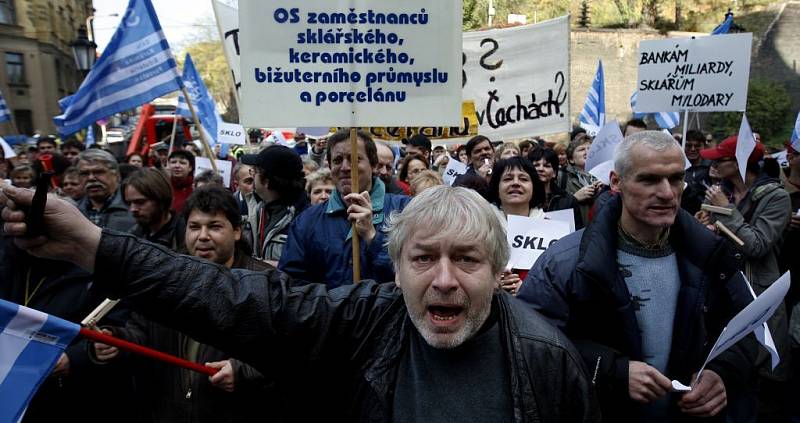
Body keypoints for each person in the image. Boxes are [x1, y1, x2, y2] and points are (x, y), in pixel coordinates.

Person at [1, 183, 601, 422]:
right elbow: (228, 298)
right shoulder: (361, 321)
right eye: (423, 259)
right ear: (396, 268)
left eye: (467, 260)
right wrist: (91, 245)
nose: (444, 280)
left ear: (499, 271)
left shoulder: (546, 359)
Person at [518, 131, 757, 421]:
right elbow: (531, 345)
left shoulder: (711, 255)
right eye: (649, 179)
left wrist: (723, 372)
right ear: (616, 182)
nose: (667, 192)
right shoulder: (564, 263)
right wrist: (611, 371)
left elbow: (748, 327)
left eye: (675, 178)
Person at [90, 186, 271, 423]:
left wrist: (243, 372)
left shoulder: (265, 284)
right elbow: (142, 331)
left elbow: (291, 354)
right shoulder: (163, 277)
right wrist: (116, 341)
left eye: (214, 226)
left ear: (236, 231)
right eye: (194, 227)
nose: (202, 236)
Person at [697, 135, 792, 419]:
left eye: (720, 158)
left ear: (739, 162)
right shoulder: (719, 191)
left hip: (757, 295)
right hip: (720, 292)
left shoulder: (776, 197)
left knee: (756, 381)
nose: (711, 163)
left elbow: (757, 245)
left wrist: (726, 209)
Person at [279, 129, 411, 288]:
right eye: (337, 160)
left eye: (354, 159)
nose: (345, 167)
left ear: (374, 165)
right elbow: (291, 284)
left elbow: (413, 274)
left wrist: (372, 238)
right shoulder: (306, 221)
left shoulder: (404, 210)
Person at [487, 157, 546, 296]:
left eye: (523, 179)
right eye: (507, 179)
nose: (515, 183)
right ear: (497, 187)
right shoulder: (481, 226)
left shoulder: (550, 227)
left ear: (534, 187)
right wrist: (493, 284)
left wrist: (528, 289)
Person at [241, 145, 308, 263]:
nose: (252, 176)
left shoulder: (305, 220)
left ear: (266, 181)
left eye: (254, 172)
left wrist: (276, 268)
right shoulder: (258, 211)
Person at [122, 168, 186, 251]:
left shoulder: (183, 235)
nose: (133, 209)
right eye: (129, 203)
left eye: (140, 202)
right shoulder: (133, 236)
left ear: (161, 199)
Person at [76, 149, 135, 231]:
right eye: (84, 173)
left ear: (116, 174)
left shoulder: (135, 207)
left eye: (98, 172)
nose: (91, 178)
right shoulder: (73, 210)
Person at [528, 148, 583, 229]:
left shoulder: (568, 200)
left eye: (546, 166)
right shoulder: (523, 200)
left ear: (554, 173)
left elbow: (577, 231)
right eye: (536, 165)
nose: (541, 169)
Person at [558, 134, 601, 224]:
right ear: (571, 159)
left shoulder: (605, 177)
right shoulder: (561, 177)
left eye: (590, 149)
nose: (587, 152)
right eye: (581, 149)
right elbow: (554, 208)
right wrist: (574, 198)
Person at [682, 130, 712, 215]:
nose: (692, 149)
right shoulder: (678, 168)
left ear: (704, 147)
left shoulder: (712, 168)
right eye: (688, 145)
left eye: (697, 146)